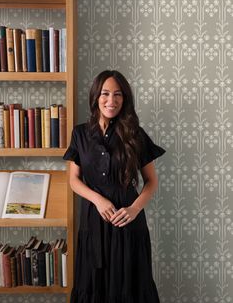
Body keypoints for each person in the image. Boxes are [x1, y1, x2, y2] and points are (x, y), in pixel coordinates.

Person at [63, 70, 165, 303]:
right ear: (96, 97)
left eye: (118, 94)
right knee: (92, 285)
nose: (111, 100)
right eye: (105, 93)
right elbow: (73, 180)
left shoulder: (135, 134)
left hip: (128, 222)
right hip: (93, 220)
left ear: (125, 98)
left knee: (130, 286)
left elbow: (151, 181)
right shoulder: (79, 134)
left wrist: (134, 209)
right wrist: (98, 200)